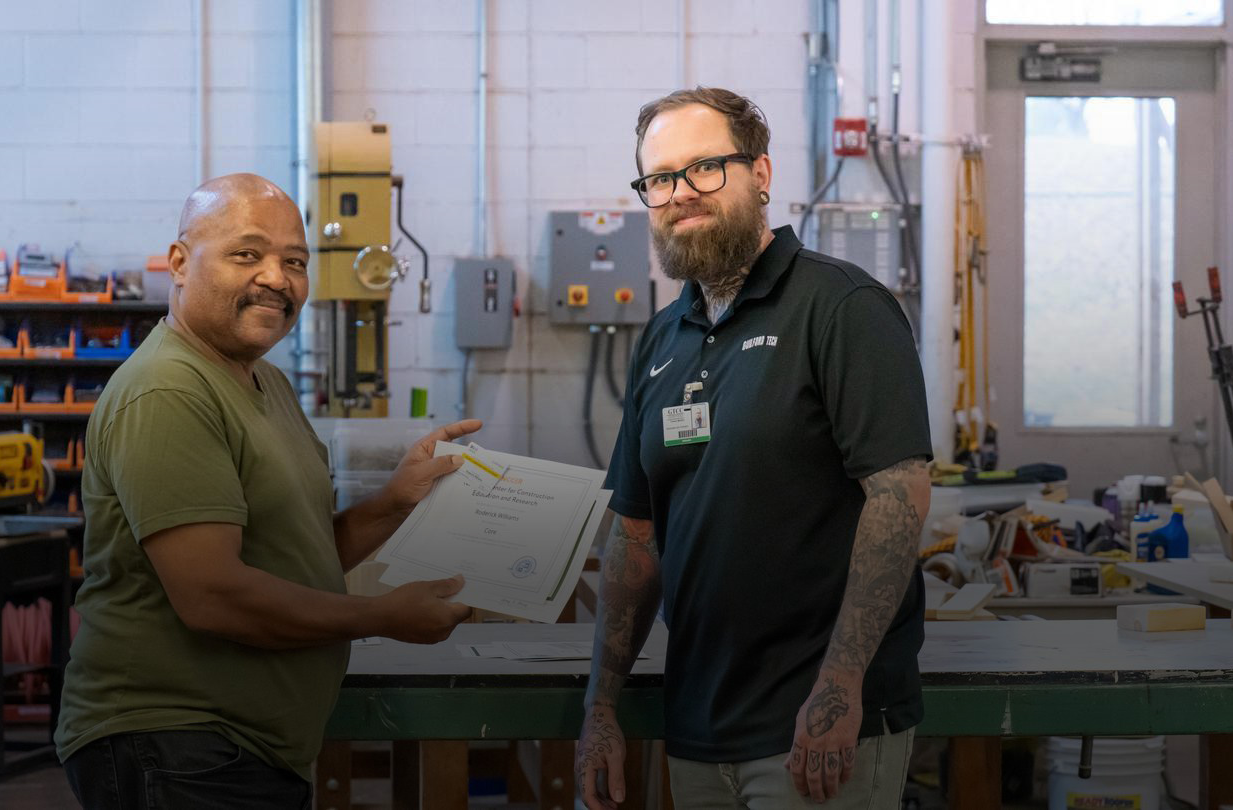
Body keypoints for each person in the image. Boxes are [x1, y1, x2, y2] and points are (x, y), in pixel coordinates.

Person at [56, 173, 477, 809]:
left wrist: (395, 500)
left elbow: (295, 557)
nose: (277, 279)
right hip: (178, 744)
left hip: (240, 746)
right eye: (246, 254)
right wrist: (383, 617)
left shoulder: (265, 385)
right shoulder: (170, 390)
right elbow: (213, 597)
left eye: (295, 262)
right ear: (179, 262)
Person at [577, 88, 933, 809]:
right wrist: (602, 707)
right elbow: (636, 538)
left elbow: (898, 499)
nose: (682, 193)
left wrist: (839, 687)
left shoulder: (841, 309)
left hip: (819, 730)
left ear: (761, 174)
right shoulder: (662, 339)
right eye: (661, 178)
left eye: (706, 167)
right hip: (701, 722)